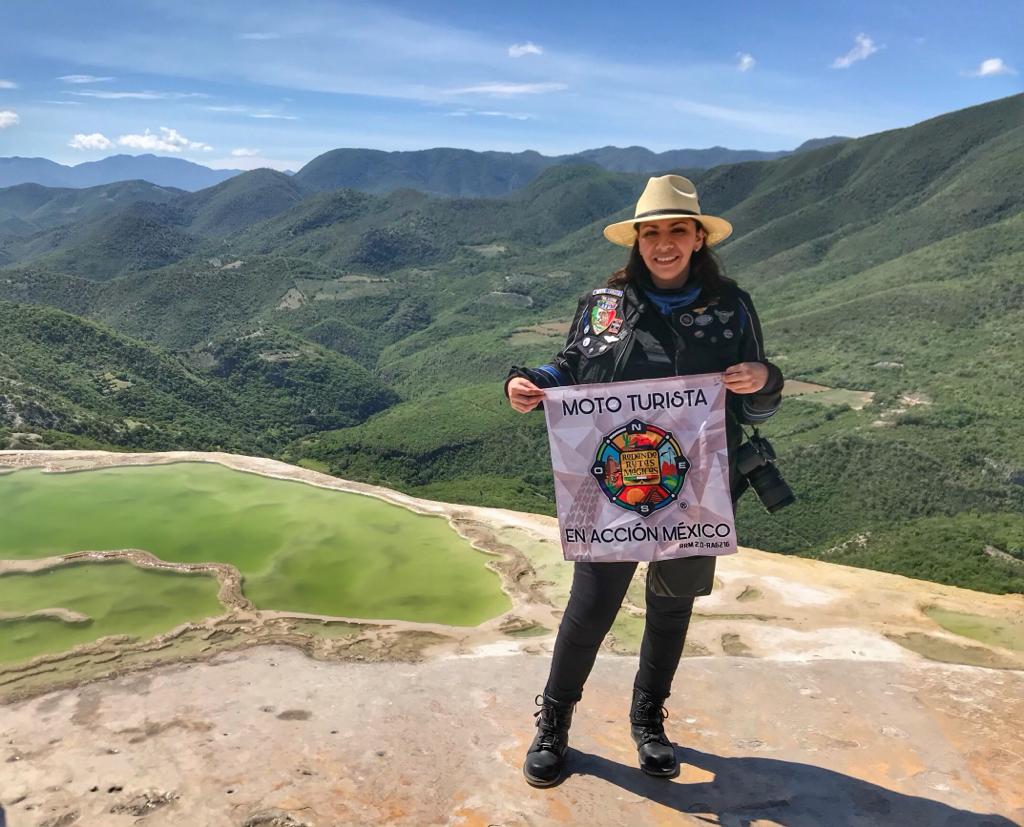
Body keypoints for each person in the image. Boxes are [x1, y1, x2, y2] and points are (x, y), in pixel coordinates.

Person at [504, 174, 784, 786]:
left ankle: (648, 722)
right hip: (613, 490)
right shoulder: (604, 305)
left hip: (696, 487)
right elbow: (571, 366)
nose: (663, 243)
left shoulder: (730, 305)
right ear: (636, 240)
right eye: (651, 232)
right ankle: (553, 724)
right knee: (590, 609)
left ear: (697, 238)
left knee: (670, 608)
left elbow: (762, 397)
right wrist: (528, 383)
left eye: (676, 230)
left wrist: (762, 380)